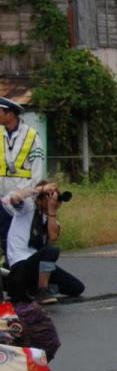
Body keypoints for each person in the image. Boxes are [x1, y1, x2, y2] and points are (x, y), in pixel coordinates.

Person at [2, 181, 85, 304]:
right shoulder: (27, 208)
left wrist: (52, 210)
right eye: (49, 195)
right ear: (40, 199)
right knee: (52, 251)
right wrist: (41, 189)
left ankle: (32, 289)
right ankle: (41, 291)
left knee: (76, 287)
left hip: (37, 267)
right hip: (20, 266)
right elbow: (15, 197)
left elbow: (52, 237)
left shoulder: (51, 220)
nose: (54, 198)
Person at [0, 97, 45, 263]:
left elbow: (38, 168)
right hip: (2, 195)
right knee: (3, 235)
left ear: (10, 113)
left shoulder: (31, 136)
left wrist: (34, 195)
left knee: (18, 238)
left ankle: (19, 270)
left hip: (22, 198)